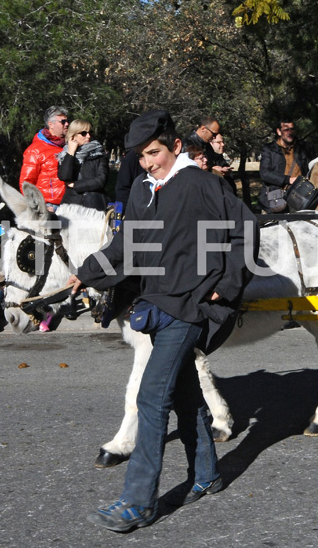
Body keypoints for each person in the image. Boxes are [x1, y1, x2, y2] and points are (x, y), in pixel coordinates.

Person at [68, 109, 257, 533]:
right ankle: (207, 474)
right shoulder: (140, 188)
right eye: (140, 156)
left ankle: (138, 502)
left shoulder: (204, 184)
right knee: (186, 396)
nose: (147, 162)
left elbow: (245, 230)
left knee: (153, 397)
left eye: (154, 152)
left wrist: (225, 286)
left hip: (191, 307)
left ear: (175, 146)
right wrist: (86, 271)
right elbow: (126, 245)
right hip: (156, 303)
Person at [20, 106, 69, 208]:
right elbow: (26, 183)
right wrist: (38, 207)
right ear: (51, 124)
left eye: (67, 121)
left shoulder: (69, 146)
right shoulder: (35, 150)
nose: (67, 124)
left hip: (70, 203)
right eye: (63, 121)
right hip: (49, 206)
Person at [257, 119, 310, 213]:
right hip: (276, 199)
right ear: (279, 131)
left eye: (292, 129)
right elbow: (264, 173)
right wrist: (288, 180)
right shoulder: (269, 149)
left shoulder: (303, 148)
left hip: (299, 198)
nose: (290, 132)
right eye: (286, 129)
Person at [57, 120, 109, 210]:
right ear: (73, 136)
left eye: (90, 132)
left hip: (94, 206)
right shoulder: (65, 155)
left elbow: (101, 180)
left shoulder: (98, 153)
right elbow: (64, 176)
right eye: (84, 133)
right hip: (72, 206)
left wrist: (76, 185)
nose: (88, 136)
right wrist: (71, 152)